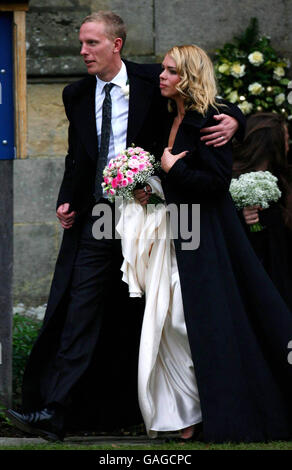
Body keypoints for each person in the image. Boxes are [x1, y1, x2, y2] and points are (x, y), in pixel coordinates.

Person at [6, 13, 243, 442]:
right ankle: (56, 413)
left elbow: (205, 93)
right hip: (100, 215)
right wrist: (66, 198)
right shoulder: (75, 93)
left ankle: (192, 408)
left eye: (92, 43)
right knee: (81, 307)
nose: (83, 52)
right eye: (81, 43)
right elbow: (76, 155)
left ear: (116, 45)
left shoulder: (156, 78)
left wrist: (237, 119)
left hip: (153, 216)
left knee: (166, 312)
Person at [132, 45, 292, 443]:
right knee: (168, 322)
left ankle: (215, 410)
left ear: (187, 77)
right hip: (172, 232)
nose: (162, 77)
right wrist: (150, 186)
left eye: (170, 71)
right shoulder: (166, 111)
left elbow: (216, 184)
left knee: (193, 322)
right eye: (163, 70)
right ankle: (184, 416)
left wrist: (176, 168)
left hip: (204, 237)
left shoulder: (208, 120)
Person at [232, 113, 292, 310]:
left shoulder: (283, 181)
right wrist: (246, 220)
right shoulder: (232, 183)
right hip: (255, 284)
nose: (288, 145)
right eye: (285, 139)